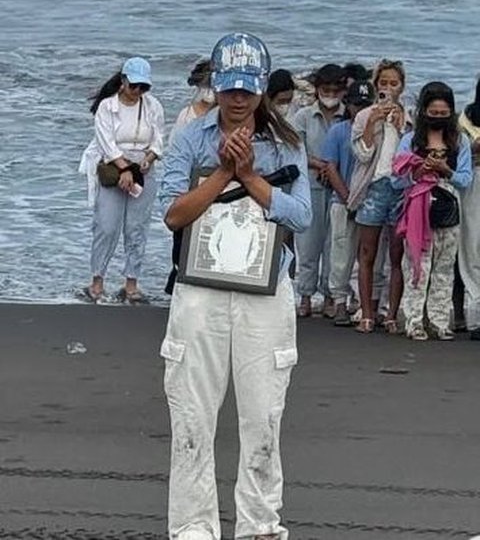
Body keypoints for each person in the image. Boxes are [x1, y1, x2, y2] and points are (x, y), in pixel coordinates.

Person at [160, 32, 312, 540]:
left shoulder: (287, 143)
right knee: (192, 415)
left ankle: (260, 526)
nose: (239, 99)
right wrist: (224, 168)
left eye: (248, 89)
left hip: (266, 294)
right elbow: (173, 214)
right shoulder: (188, 137)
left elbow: (303, 216)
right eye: (230, 89)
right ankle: (191, 528)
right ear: (215, 87)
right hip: (199, 290)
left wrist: (252, 178)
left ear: (263, 88)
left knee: (263, 416)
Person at [79, 57, 165, 303]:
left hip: (143, 168)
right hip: (114, 168)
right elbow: (106, 142)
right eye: (134, 85)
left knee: (136, 228)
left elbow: (159, 137)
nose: (138, 91)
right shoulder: (108, 107)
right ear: (123, 82)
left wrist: (149, 158)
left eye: (144, 87)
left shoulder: (152, 106)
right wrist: (125, 169)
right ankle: (97, 281)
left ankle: (131, 284)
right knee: (106, 226)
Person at [392, 82, 472, 340]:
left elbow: (465, 179)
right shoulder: (409, 140)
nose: (438, 118)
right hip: (418, 210)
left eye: (443, 114)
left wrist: (445, 170)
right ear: (424, 112)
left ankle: (439, 321)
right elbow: (396, 178)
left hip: (448, 210)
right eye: (433, 113)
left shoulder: (460, 141)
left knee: (444, 268)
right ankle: (414, 321)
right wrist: (420, 170)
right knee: (417, 267)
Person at [347, 59, 409, 334]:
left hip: (399, 188)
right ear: (375, 85)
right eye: (383, 83)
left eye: (393, 83)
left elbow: (411, 154)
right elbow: (362, 154)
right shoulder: (364, 116)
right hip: (373, 188)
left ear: (402, 86)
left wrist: (400, 126)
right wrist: (373, 122)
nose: (387, 88)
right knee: (367, 253)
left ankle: (391, 314)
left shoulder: (409, 116)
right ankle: (367, 313)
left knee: (396, 254)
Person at [294, 64, 346, 318]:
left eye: (336, 89)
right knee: (308, 244)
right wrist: (320, 165)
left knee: (334, 245)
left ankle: (329, 296)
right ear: (317, 90)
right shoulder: (303, 116)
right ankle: (304, 296)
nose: (331, 94)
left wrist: (333, 169)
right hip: (311, 185)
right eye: (326, 89)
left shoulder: (349, 116)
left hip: (340, 187)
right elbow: (294, 151)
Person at [321, 80, 375, 326]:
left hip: (371, 201)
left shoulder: (378, 130)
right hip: (342, 199)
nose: (360, 109)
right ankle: (340, 302)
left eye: (365, 104)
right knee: (341, 253)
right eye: (356, 105)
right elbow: (330, 167)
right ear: (348, 105)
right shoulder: (338, 130)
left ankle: (365, 303)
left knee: (369, 255)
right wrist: (347, 198)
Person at [458, 79, 480, 339]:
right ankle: (475, 316)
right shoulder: (466, 117)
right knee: (471, 246)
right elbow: (458, 151)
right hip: (474, 181)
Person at [169, 58, 215, 142]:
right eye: (206, 86)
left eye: (212, 86)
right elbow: (174, 146)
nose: (209, 90)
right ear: (197, 85)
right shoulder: (186, 115)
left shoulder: (226, 116)